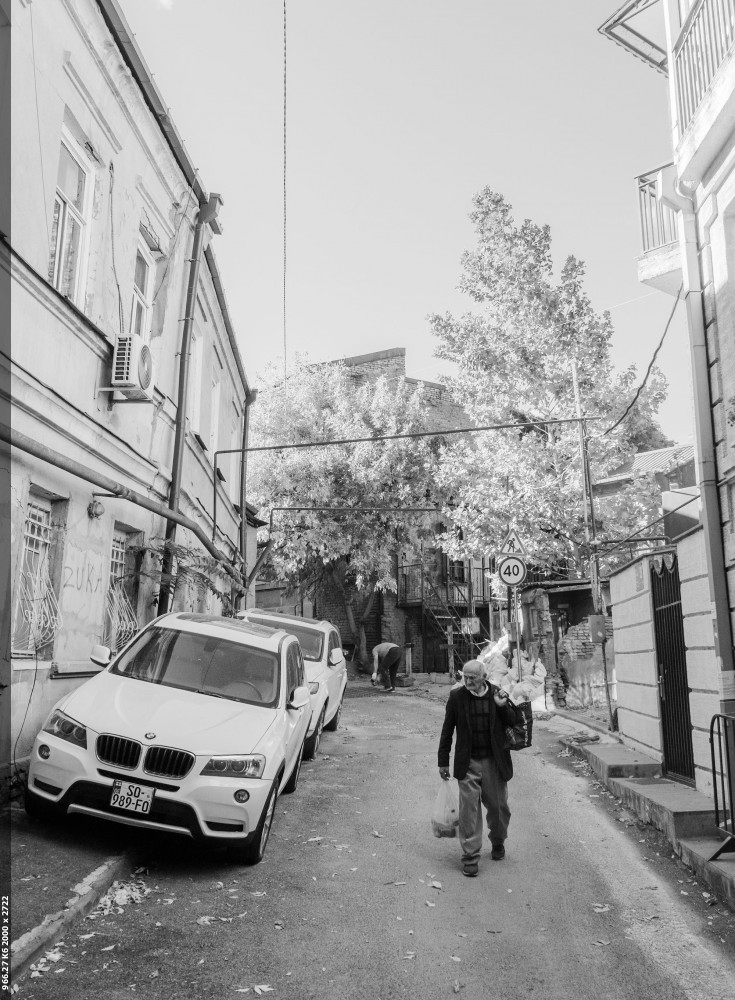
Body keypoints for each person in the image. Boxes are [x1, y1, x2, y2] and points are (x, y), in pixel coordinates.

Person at [437, 658, 518, 877]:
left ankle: (498, 840)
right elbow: (447, 730)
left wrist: (502, 707)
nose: (468, 681)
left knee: (499, 808)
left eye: (472, 677)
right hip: (468, 763)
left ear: (484, 677)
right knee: (468, 813)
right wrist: (443, 760)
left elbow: (512, 721)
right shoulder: (457, 697)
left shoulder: (497, 694)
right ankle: (470, 857)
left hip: (494, 762)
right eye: (465, 677)